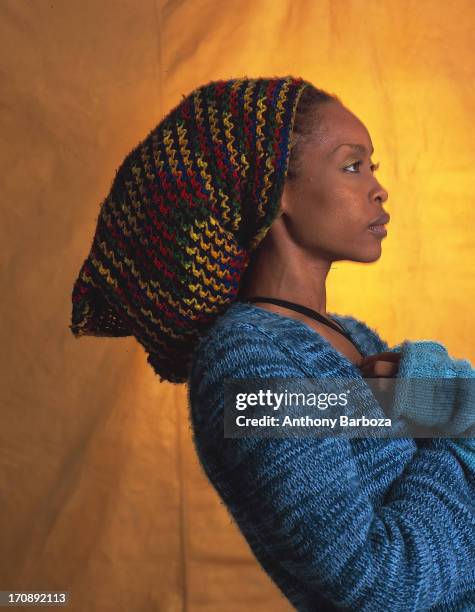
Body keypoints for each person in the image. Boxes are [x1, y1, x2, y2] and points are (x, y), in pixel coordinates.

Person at [69, 76, 475, 611]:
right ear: (272, 190)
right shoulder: (245, 363)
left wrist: (452, 407)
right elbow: (378, 586)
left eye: (372, 167)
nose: (378, 188)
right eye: (352, 166)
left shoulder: (353, 337)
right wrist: (460, 422)